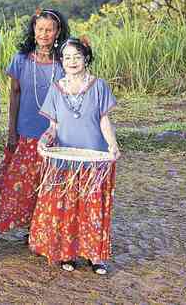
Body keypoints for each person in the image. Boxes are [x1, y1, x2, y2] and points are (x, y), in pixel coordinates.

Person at [30, 37, 120, 276]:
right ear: (61, 61)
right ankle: (66, 253)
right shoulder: (56, 88)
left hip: (93, 157)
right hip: (65, 159)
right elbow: (53, 127)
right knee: (66, 205)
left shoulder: (98, 86)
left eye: (77, 57)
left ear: (86, 59)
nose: (71, 61)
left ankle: (95, 256)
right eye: (67, 57)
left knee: (92, 205)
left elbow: (103, 120)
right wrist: (44, 140)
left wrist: (112, 145)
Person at [0, 9, 69, 238]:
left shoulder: (65, 62)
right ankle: (29, 227)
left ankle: (44, 228)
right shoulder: (21, 60)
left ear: (58, 32)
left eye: (49, 30)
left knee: (50, 182)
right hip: (26, 131)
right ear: (33, 30)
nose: (44, 34)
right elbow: (14, 95)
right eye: (40, 28)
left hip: (56, 135)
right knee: (23, 184)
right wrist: (12, 131)